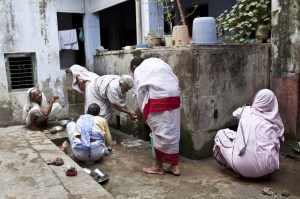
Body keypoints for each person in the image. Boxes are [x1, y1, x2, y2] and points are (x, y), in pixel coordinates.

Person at [213, 89, 285, 178]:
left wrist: (248, 108)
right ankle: (263, 173)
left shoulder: (246, 111)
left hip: (243, 167)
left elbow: (234, 114)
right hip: (268, 167)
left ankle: (231, 166)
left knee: (220, 134)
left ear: (257, 99)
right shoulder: (275, 122)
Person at [130, 57, 181, 176]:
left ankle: (158, 167)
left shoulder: (139, 69)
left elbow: (140, 93)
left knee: (158, 133)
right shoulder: (159, 63)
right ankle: (175, 166)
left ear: (133, 67)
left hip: (159, 101)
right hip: (175, 98)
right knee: (173, 132)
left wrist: (144, 111)